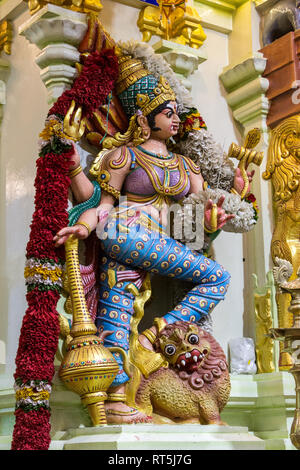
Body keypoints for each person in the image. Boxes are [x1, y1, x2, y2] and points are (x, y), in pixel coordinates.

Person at [53, 54, 252, 423]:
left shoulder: (186, 166)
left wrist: (225, 205)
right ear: (144, 117)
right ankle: (118, 391)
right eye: (167, 111)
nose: (176, 118)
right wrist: (83, 226)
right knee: (118, 303)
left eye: (177, 111)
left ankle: (143, 352)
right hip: (122, 231)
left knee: (211, 278)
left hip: (161, 241)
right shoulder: (123, 155)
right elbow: (103, 204)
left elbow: (198, 217)